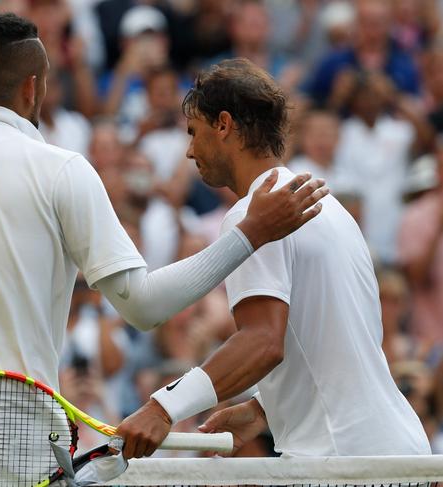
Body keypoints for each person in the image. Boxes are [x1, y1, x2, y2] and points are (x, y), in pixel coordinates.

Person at [0, 15, 327, 487]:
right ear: (33, 87)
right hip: (13, 459)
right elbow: (142, 307)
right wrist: (247, 235)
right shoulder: (62, 170)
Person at [116, 58, 431, 460]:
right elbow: (337, 342)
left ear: (224, 125)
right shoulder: (332, 207)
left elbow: (263, 342)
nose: (191, 150)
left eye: (194, 133)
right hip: (400, 452)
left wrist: (162, 408)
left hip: (344, 462)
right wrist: (264, 408)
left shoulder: (257, 214)